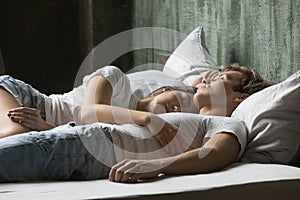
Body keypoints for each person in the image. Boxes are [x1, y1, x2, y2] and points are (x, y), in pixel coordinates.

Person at [0, 66, 198, 152]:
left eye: (179, 111)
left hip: (43, 129)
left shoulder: (130, 133)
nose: (175, 106)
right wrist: (149, 119)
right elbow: (89, 112)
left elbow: (82, 137)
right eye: (180, 99)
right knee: (16, 135)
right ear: (165, 89)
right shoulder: (117, 79)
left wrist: (44, 128)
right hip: (22, 98)